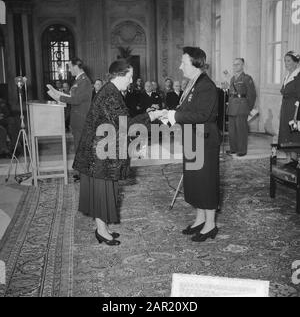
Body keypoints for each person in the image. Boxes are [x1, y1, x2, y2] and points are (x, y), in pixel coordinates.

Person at [72, 59, 161, 246]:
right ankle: (102, 231)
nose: (131, 81)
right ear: (119, 75)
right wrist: (150, 116)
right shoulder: (111, 95)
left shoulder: (111, 91)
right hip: (100, 155)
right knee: (101, 192)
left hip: (102, 151)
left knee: (105, 191)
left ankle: (103, 228)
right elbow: (126, 126)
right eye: (129, 77)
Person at [157, 47, 220, 243]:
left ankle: (210, 224)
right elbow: (185, 109)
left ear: (195, 63)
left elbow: (202, 116)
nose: (180, 66)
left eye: (183, 62)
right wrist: (167, 113)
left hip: (204, 140)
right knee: (195, 181)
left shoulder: (206, 86)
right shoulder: (193, 83)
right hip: (193, 138)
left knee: (206, 181)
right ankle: (200, 219)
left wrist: (173, 115)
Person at [48, 57, 93, 182]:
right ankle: (81, 173)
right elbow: (73, 96)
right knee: (79, 146)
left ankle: (85, 175)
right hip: (77, 119)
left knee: (81, 147)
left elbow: (77, 100)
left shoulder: (84, 81)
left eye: (69, 67)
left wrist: (59, 97)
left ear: (75, 66)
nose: (69, 70)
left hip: (81, 119)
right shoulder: (78, 80)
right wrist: (58, 93)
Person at [227, 58, 256, 157]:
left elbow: (252, 95)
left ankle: (242, 150)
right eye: (234, 64)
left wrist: (249, 108)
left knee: (241, 130)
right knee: (232, 130)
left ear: (243, 65)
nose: (235, 66)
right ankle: (233, 149)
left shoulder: (247, 78)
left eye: (238, 64)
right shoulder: (232, 78)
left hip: (242, 107)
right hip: (232, 107)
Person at [278, 51, 300, 166]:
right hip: (286, 108)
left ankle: (296, 161)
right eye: (285, 61)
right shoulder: (288, 75)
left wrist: (296, 115)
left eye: (288, 61)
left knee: (294, 134)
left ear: (296, 62)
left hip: (295, 110)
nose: (286, 64)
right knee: (286, 133)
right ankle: (291, 160)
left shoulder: (298, 76)